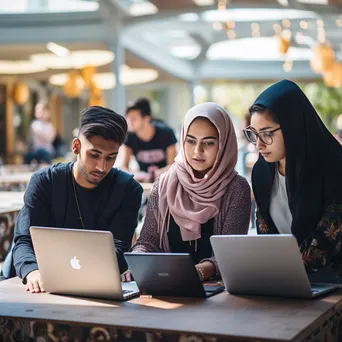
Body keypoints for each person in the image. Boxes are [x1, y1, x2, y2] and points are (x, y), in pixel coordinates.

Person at [13, 106, 143, 293]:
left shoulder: (128, 190)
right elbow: (24, 240)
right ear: (76, 147)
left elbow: (120, 247)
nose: (101, 167)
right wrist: (32, 271)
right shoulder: (44, 183)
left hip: (96, 288)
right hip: (39, 285)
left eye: (111, 158)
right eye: (94, 155)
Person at [122, 102, 251, 282]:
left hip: (217, 293)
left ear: (223, 144)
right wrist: (137, 264)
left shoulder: (237, 189)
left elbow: (231, 255)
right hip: (166, 286)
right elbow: (147, 242)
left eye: (209, 142)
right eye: (190, 141)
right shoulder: (164, 183)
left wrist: (197, 272)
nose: (197, 151)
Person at [243, 80, 342, 280]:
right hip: (286, 281)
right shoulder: (262, 172)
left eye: (267, 134)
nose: (259, 145)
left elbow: (324, 246)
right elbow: (266, 238)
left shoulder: (334, 168)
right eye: (254, 135)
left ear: (293, 126)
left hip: (333, 285)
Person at [121, 97, 177, 182]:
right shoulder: (129, 136)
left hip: (166, 181)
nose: (129, 122)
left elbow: (173, 166)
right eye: (127, 118)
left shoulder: (166, 134)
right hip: (144, 183)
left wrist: (160, 173)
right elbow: (123, 168)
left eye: (133, 119)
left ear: (146, 118)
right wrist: (140, 175)